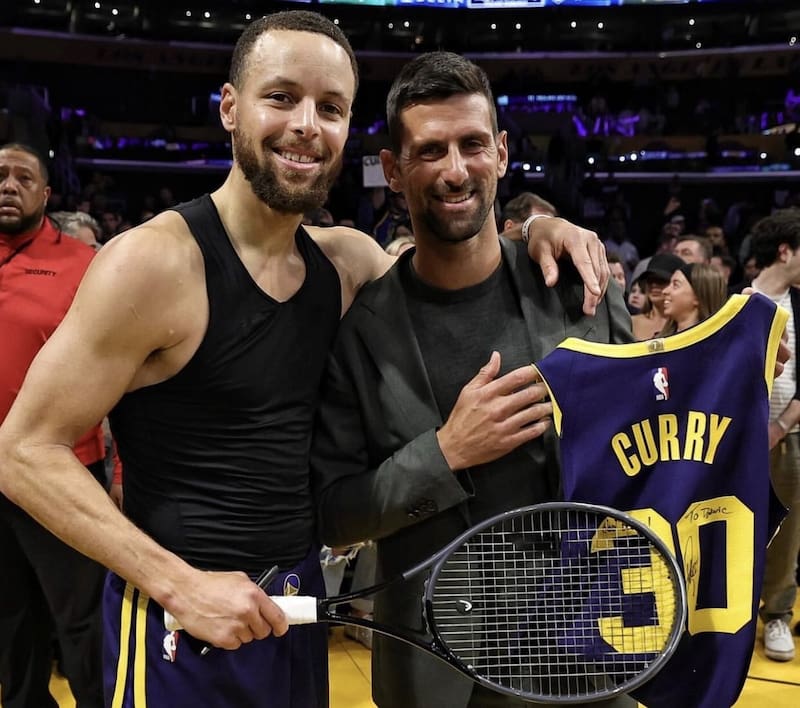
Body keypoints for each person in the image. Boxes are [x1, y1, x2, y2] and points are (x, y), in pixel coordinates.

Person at [0, 11, 612, 708]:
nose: (306, 125)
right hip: (181, 618)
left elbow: (453, 254)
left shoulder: (345, 263)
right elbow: (23, 451)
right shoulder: (153, 262)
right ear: (230, 107)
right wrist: (178, 583)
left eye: (331, 107)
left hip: (295, 608)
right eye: (281, 97)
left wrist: (538, 224)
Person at [311, 51, 633, 708]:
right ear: (395, 172)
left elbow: (649, 444)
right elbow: (332, 514)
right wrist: (444, 455)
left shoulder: (582, 289)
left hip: (590, 657)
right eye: (431, 151)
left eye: (473, 145)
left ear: (504, 152)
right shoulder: (360, 334)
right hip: (436, 665)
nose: (456, 171)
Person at [0, 143, 106, 708]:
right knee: (11, 624)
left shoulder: (82, 265)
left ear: (46, 194)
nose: (8, 184)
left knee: (81, 621)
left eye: (23, 177)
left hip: (61, 469)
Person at [749, 208, 800, 662]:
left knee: (787, 533)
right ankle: (733, 616)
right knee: (737, 527)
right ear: (785, 251)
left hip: (790, 437)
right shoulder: (740, 301)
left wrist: (781, 426)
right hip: (740, 437)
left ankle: (778, 615)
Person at [659, 262, 728, 336]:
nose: (664, 291)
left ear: (698, 296)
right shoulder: (658, 343)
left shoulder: (720, 344)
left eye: (675, 285)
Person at [630, 252, 685, 341]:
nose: (654, 285)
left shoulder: (684, 325)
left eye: (661, 280)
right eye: (650, 280)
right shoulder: (630, 323)